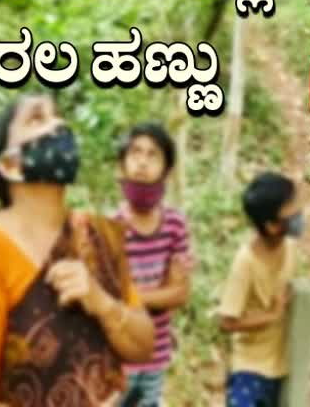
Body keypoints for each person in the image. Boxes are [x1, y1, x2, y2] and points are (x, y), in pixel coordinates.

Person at [0, 94, 155, 407]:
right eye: (38, 119)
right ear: (10, 164)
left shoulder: (97, 235)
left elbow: (143, 346)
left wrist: (102, 303)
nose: (59, 125)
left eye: (58, 116)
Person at [114, 123, 193, 407]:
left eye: (152, 154)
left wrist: (132, 295)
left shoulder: (175, 225)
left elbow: (180, 294)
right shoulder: (110, 228)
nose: (142, 162)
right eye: (135, 153)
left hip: (155, 355)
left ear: (166, 169)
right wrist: (160, 293)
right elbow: (110, 298)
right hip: (116, 356)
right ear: (122, 165)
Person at [218, 172, 304, 407]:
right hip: (250, 368)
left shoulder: (290, 249)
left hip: (281, 366)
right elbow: (226, 322)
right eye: (292, 210)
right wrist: (271, 316)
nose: (299, 213)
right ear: (272, 225)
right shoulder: (245, 263)